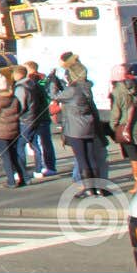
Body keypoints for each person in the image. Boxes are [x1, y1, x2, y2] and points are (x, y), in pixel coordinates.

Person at [54, 67, 106, 196]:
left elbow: (55, 96)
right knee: (90, 157)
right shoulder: (86, 87)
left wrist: (52, 84)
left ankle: (88, 189)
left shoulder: (72, 90)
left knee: (82, 159)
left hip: (75, 128)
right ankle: (98, 188)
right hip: (88, 125)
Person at [16, 61, 58, 178]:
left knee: (31, 142)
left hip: (34, 117)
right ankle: (47, 166)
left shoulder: (32, 81)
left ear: (30, 69)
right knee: (43, 142)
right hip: (42, 115)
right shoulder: (43, 78)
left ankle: (39, 168)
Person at [108, 63, 137, 192]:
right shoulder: (136, 85)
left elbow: (115, 112)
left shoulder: (117, 91)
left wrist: (113, 125)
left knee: (133, 154)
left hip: (125, 126)